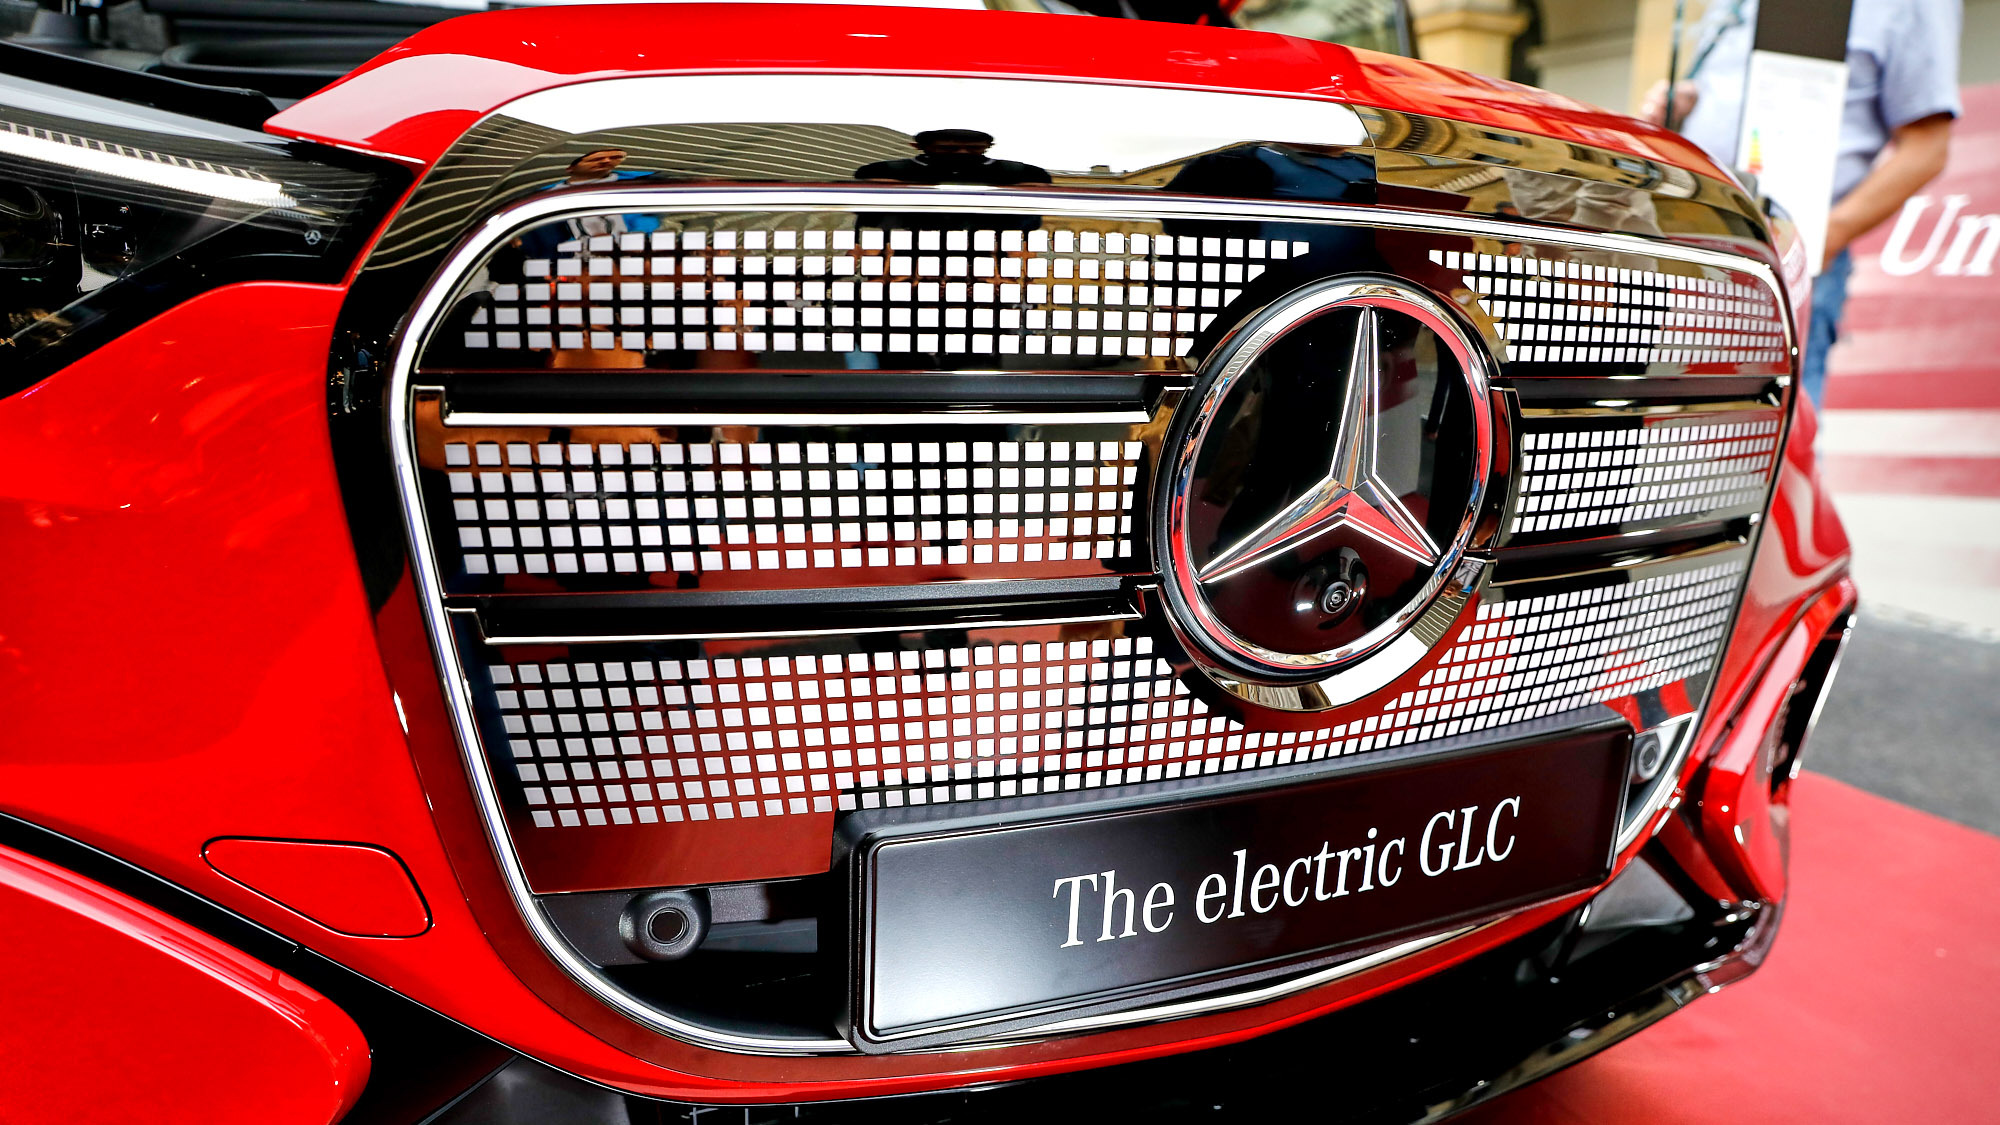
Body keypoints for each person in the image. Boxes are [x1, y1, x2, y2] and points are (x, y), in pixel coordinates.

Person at [1642, 0, 1959, 406]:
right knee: (1667, 420)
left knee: (1774, 427)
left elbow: (1928, 147)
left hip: (1785, 256)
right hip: (1687, 246)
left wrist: (1820, 240)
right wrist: (1680, 111)